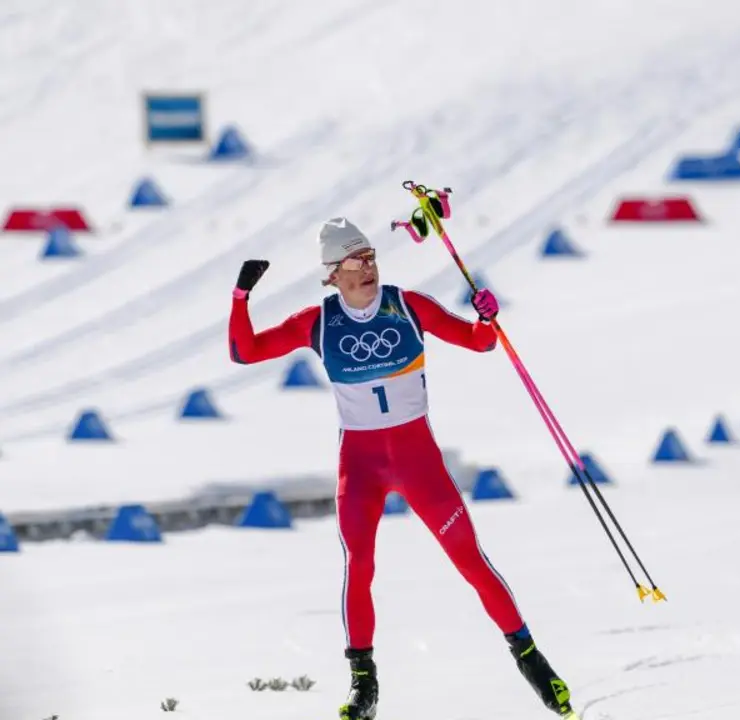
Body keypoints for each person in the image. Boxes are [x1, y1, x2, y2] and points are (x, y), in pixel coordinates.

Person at [227, 217, 575, 720]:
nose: (368, 267)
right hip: (361, 467)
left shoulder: (408, 306)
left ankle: (533, 662)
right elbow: (244, 351)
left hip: (418, 462)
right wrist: (241, 296)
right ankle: (363, 685)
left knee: (470, 560)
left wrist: (487, 316)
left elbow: (479, 341)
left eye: (371, 256)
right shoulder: (317, 323)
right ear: (333, 273)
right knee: (359, 567)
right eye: (356, 260)